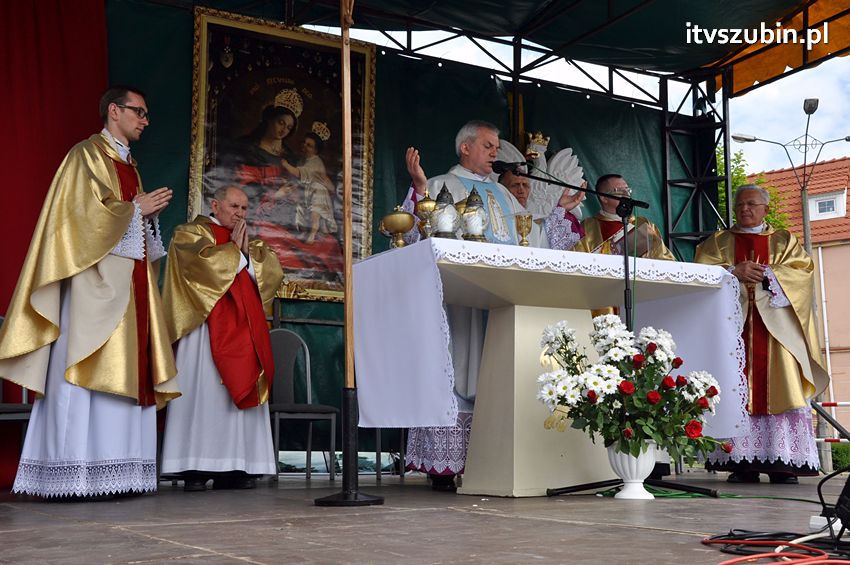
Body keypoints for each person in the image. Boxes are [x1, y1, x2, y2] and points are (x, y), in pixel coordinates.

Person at [0, 85, 178, 498]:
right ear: (114, 111)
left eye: (147, 115)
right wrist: (136, 210)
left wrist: (141, 213)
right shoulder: (85, 155)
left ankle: (119, 472)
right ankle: (74, 472)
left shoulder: (129, 164)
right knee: (85, 367)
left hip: (128, 284)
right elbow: (77, 222)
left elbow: (129, 220)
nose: (145, 121)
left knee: (129, 370)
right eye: (139, 112)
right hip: (90, 288)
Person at [401, 121, 582, 491]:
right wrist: (419, 188)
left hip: (500, 304)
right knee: (455, 367)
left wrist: (559, 211)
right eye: (488, 146)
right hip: (457, 303)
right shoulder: (439, 185)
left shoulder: (504, 196)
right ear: (465, 148)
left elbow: (534, 238)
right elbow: (412, 236)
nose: (495, 153)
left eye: (496, 146)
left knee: (499, 373)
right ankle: (446, 468)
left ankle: (496, 459)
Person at [695, 184, 828, 484]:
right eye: (740, 204)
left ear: (765, 208)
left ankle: (784, 463)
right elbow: (700, 272)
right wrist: (731, 271)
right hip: (733, 328)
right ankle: (742, 463)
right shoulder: (717, 242)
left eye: (752, 204)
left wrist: (770, 274)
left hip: (776, 333)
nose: (744, 209)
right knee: (734, 388)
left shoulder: (784, 239)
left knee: (781, 386)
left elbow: (802, 272)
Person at [160, 185, 284, 491]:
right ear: (215, 205)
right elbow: (196, 266)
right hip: (203, 332)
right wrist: (234, 253)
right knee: (203, 394)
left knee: (235, 399)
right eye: (234, 206)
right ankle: (194, 467)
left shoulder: (248, 242)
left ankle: (238, 466)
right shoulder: (190, 233)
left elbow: (272, 273)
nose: (240, 213)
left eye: (244, 208)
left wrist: (243, 252)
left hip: (244, 330)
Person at [574, 174, 675, 260]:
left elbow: (663, 258)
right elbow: (578, 260)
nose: (626, 194)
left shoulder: (642, 223)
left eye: (627, 190)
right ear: (604, 198)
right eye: (620, 191)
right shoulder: (587, 226)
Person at [499, 168, 585, 250]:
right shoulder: (496, 217)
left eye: (525, 185)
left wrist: (562, 209)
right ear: (502, 189)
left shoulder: (538, 221)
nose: (521, 190)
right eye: (515, 185)